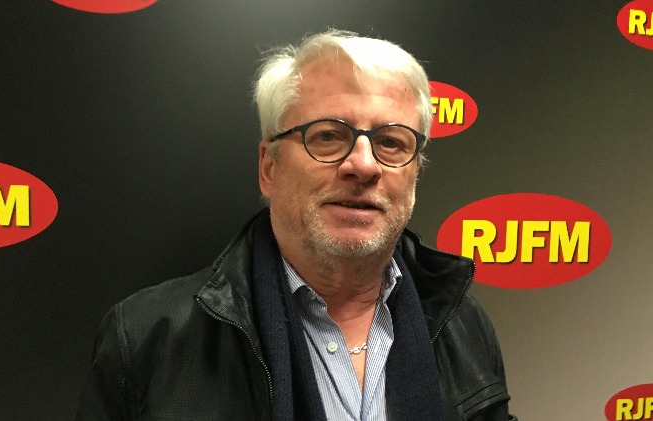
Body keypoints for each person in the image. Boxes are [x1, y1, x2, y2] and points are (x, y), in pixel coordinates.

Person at [76, 29, 515, 421]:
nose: (364, 165)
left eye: (390, 142)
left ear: (415, 173)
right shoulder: (146, 341)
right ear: (269, 168)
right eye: (328, 136)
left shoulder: (463, 326)